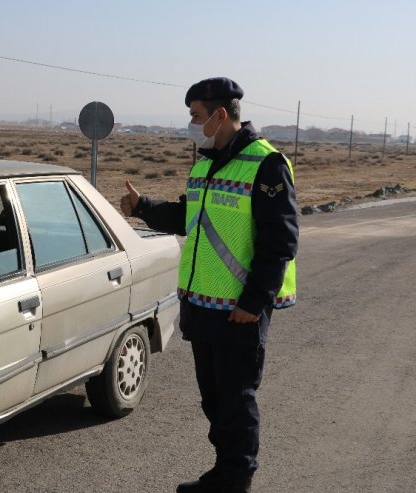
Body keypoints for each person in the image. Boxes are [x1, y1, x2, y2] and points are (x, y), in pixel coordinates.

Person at [120, 77, 298, 493]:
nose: (192, 124)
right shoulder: (204, 163)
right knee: (215, 402)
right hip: (203, 307)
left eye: (196, 116)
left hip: (239, 311)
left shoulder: (266, 164)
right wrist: (144, 207)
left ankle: (235, 482)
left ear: (220, 115)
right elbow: (191, 218)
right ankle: (224, 472)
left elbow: (280, 242)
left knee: (236, 403)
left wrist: (254, 303)